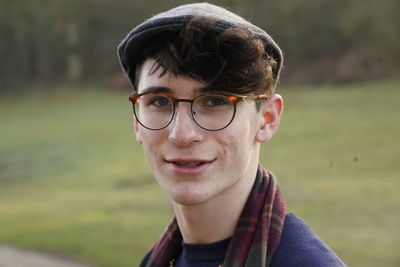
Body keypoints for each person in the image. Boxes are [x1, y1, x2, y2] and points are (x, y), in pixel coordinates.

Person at [118, 3, 346, 267]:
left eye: (215, 101)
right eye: (158, 101)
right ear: (137, 121)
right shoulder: (159, 259)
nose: (181, 134)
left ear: (267, 119)